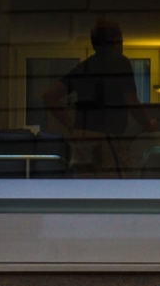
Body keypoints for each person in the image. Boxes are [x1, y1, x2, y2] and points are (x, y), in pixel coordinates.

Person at [44, 19, 151, 174]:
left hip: (81, 138)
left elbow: (49, 95)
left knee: (85, 188)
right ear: (114, 41)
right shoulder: (120, 62)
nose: (122, 46)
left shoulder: (84, 67)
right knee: (115, 186)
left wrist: (69, 124)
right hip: (105, 137)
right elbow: (132, 101)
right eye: (121, 41)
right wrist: (148, 123)